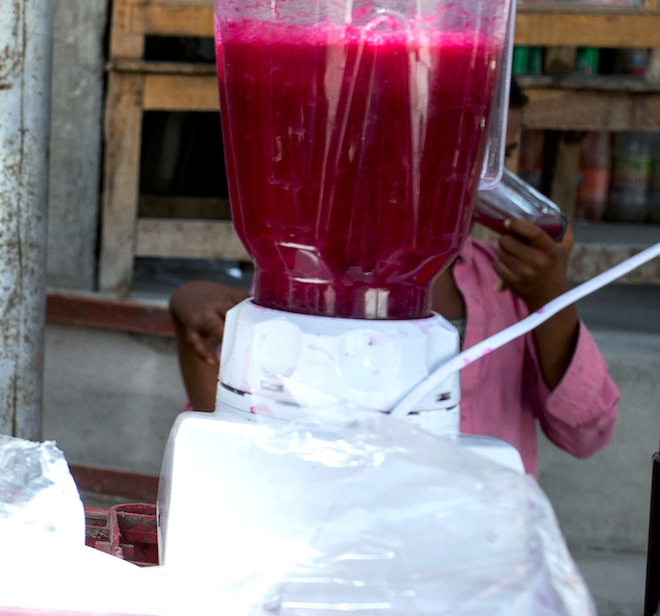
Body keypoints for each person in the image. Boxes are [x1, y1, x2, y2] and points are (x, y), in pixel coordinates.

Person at [167, 95, 617, 475]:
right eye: (454, 155)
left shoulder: (511, 284)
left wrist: (550, 296)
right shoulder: (313, 283)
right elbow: (229, 445)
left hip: (481, 554)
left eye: (500, 160)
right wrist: (186, 304)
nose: (480, 183)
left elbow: (588, 430)